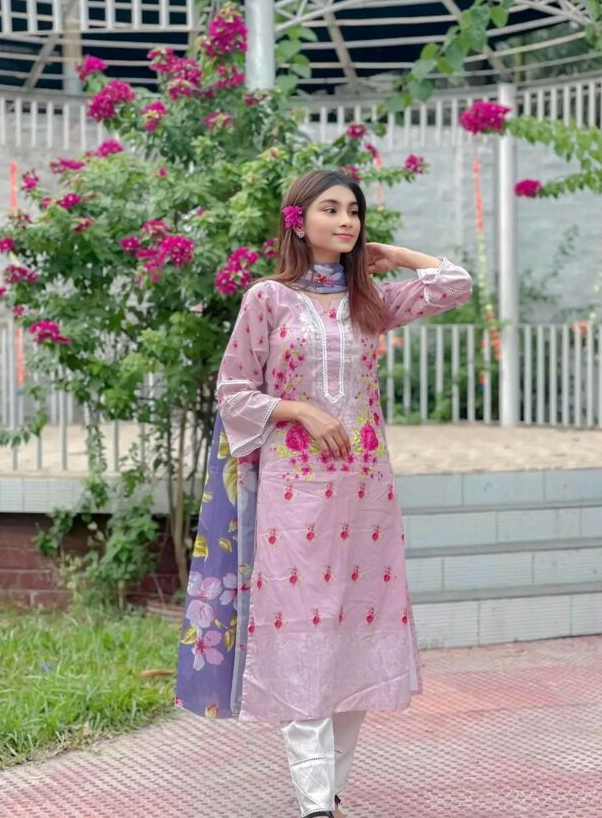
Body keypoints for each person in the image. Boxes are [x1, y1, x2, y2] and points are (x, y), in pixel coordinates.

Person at [175, 169, 473, 818]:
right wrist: (299, 410)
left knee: (354, 634)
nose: (346, 221)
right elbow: (233, 391)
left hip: (365, 493)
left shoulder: (371, 300)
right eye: (331, 209)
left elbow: (456, 284)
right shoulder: (269, 299)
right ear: (298, 218)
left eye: (354, 212)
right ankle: (314, 803)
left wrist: (395, 255)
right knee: (302, 631)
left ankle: (327, 790)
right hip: (293, 492)